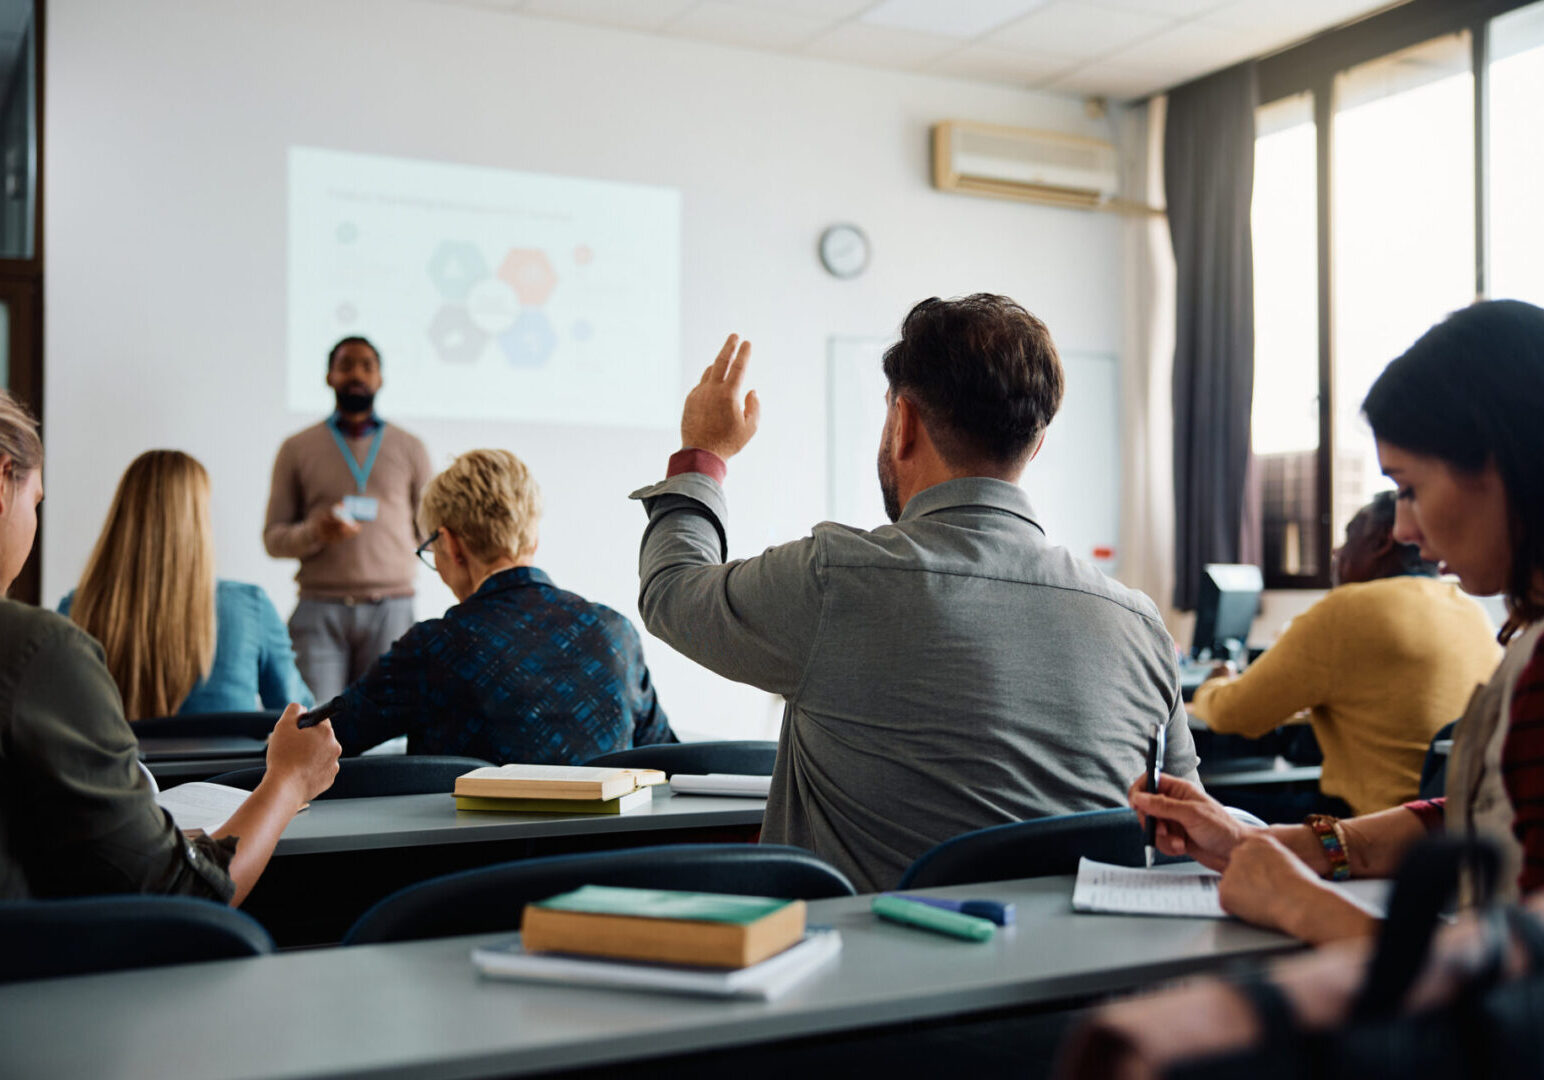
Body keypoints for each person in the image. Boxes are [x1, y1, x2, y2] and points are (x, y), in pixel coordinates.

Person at [629, 295, 1199, 892]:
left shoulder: (838, 580)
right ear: (1035, 444)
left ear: (903, 423)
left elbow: (672, 590)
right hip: (1075, 979)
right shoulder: (1140, 626)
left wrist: (705, 454)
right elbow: (1189, 831)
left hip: (863, 980)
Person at [1130, 299, 1544, 944]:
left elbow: (1522, 987)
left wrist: (1304, 906)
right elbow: (1471, 818)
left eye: (1408, 487)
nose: (1405, 527)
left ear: (1503, 462)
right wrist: (1260, 841)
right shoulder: (1508, 625)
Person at [0, 391, 340, 904]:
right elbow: (298, 716)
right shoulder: (41, 649)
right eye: (37, 501)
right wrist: (290, 779)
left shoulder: (75, 607)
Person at [325, 448, 675, 762]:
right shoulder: (615, 634)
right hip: (607, 837)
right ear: (533, 537)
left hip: (472, 837)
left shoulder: (434, 647)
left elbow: (322, 741)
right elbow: (668, 758)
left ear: (449, 544)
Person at [1190, 490, 1500, 820]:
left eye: (1349, 536)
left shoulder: (1349, 608)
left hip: (1367, 824)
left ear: (1383, 541)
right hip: (1449, 821)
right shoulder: (1471, 609)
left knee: (1195, 796)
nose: (1337, 550)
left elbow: (1235, 715)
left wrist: (1214, 683)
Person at [61, 450, 314, 720]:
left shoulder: (76, 611)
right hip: (228, 764)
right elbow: (301, 715)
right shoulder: (250, 608)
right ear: (198, 521)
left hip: (120, 765)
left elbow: (56, 718)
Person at [264, 336, 433, 701]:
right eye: (345, 365)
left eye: (367, 366)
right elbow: (273, 539)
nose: (356, 373)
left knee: (388, 737)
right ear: (329, 376)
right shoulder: (297, 448)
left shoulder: (410, 447)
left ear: (381, 379)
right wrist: (315, 532)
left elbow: (432, 532)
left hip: (392, 609)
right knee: (315, 727)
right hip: (319, 611)